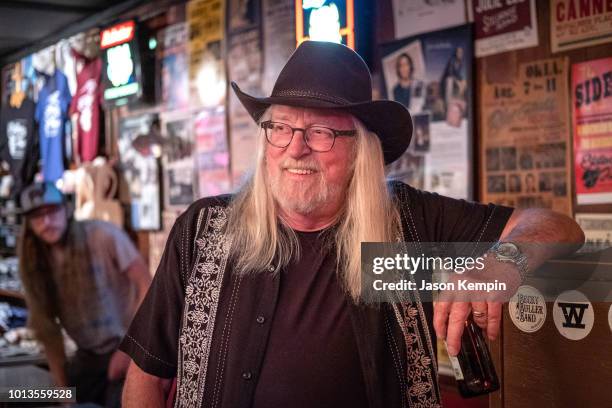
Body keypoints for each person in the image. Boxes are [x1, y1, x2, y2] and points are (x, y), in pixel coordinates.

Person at [120, 41, 584, 407]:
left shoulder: (409, 222)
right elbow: (146, 375)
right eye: (279, 127)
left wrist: (499, 265)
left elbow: (559, 226)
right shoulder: (203, 230)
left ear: (361, 150)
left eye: (320, 132)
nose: (295, 149)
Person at [18, 181, 151, 407]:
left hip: (126, 346)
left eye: (52, 211)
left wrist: (132, 348)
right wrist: (63, 393)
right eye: (37, 216)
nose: (46, 222)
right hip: (87, 355)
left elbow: (147, 285)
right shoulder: (37, 264)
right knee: (23, 395)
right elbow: (49, 332)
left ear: (66, 209)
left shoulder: (102, 235)